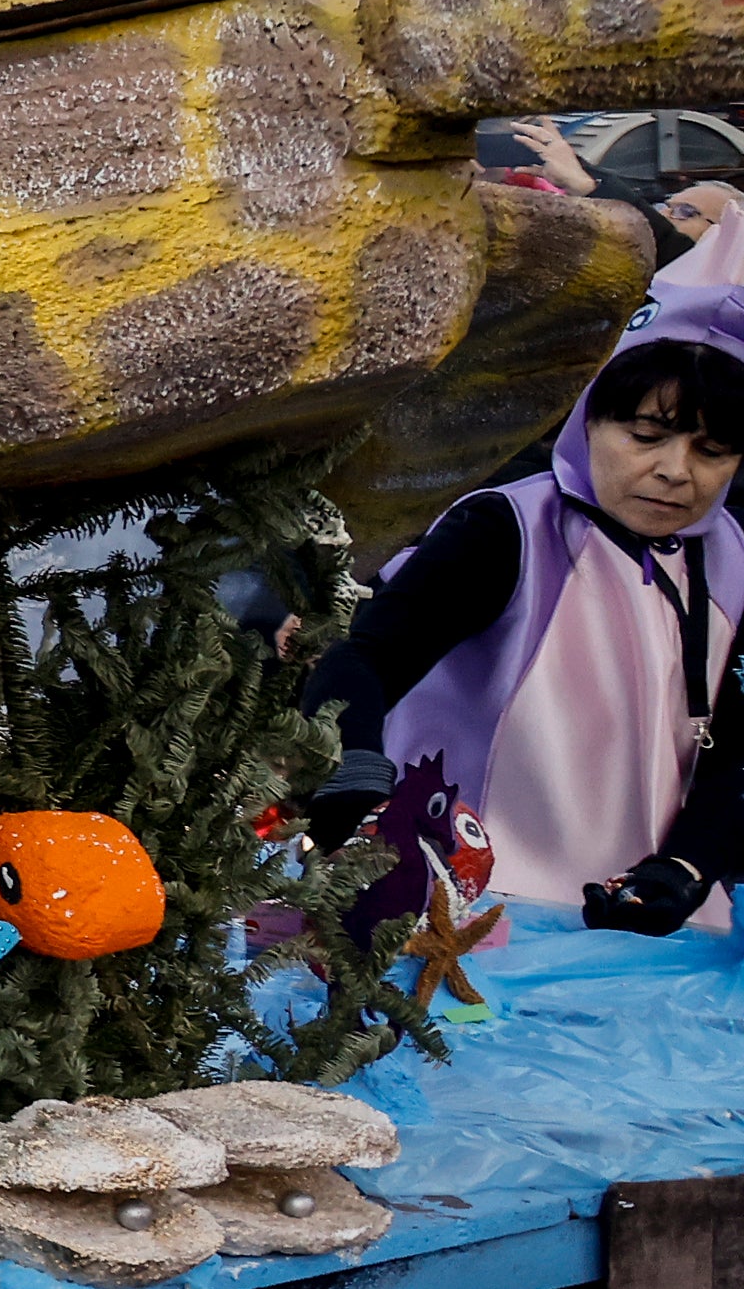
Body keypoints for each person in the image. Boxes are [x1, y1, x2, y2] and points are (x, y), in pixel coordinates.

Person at [313, 253, 744, 930]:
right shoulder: (506, 529)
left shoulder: (733, 556)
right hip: (466, 908)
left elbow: (734, 744)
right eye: (646, 435)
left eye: (712, 451)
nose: (673, 472)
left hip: (652, 924)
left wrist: (687, 868)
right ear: (587, 420)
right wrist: (356, 759)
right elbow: (365, 659)